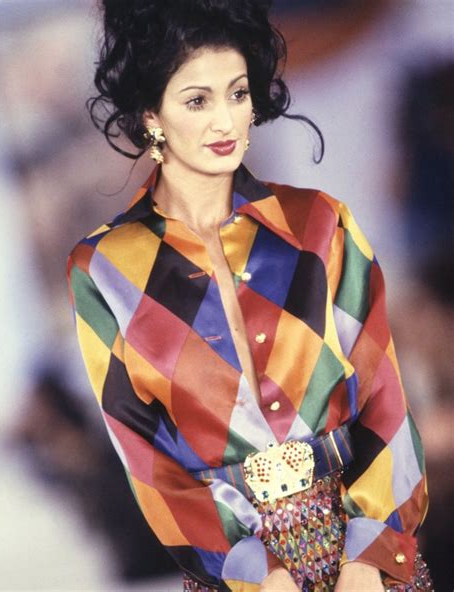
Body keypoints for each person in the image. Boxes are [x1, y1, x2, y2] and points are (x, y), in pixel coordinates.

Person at [67, 1, 432, 590]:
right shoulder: (104, 271)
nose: (226, 122)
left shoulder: (321, 224)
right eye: (198, 101)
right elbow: (150, 464)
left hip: (368, 557)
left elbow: (385, 399)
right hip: (237, 573)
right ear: (151, 114)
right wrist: (255, 573)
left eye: (237, 93)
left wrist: (371, 554)